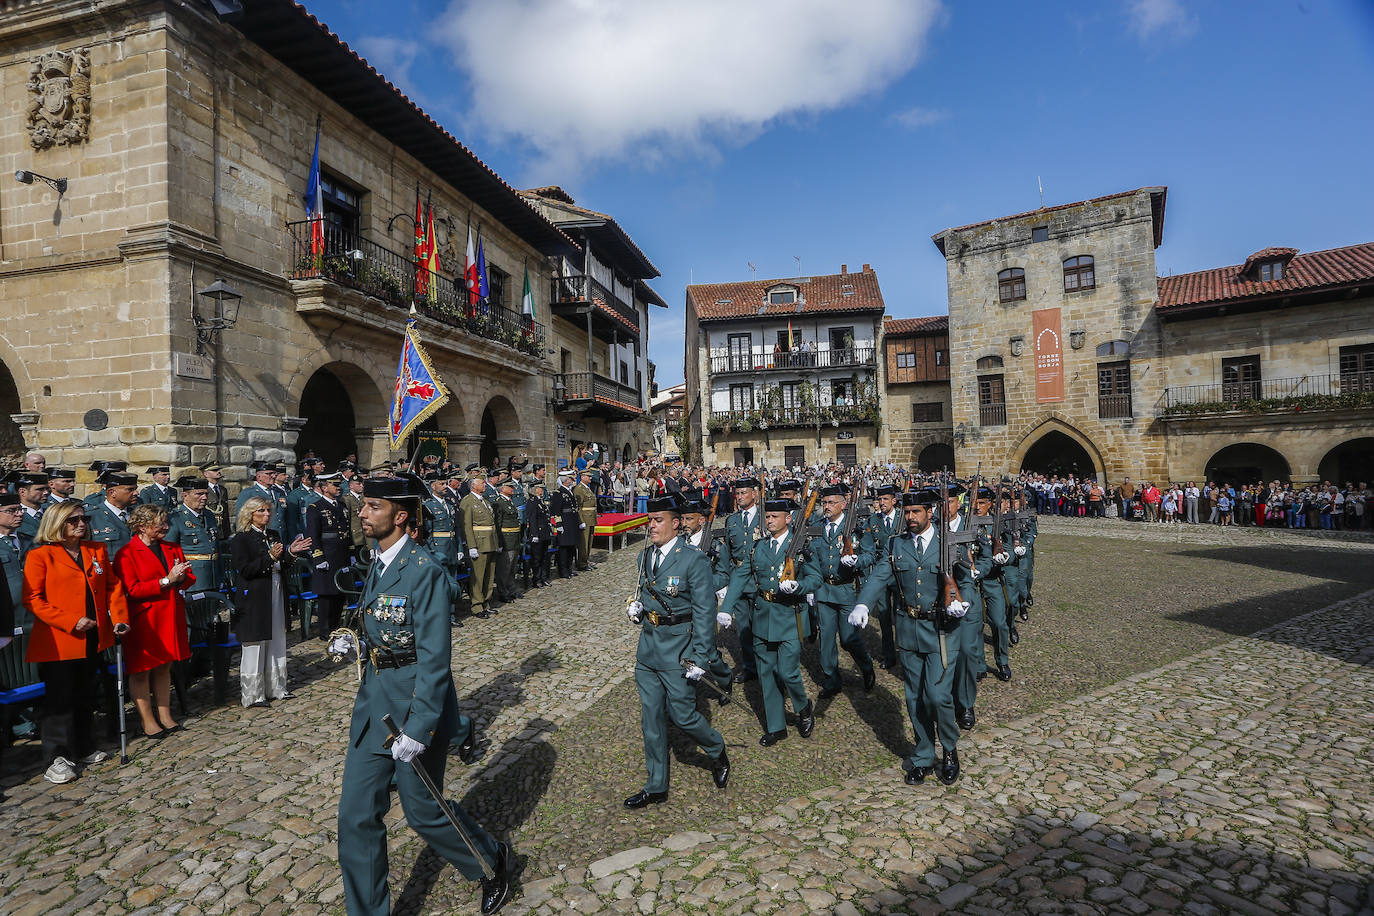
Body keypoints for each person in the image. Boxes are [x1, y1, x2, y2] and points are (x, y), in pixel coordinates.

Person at [332, 475, 512, 916]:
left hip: (411, 710)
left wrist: (419, 726)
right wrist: (352, 636)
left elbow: (435, 659)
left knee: (423, 812)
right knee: (355, 818)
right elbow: (380, 619)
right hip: (374, 705)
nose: (362, 512)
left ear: (400, 516)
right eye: (364, 505)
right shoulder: (378, 560)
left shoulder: (424, 571)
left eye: (373, 506)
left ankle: (490, 861)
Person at [852, 490, 973, 786]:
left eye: (916, 512)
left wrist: (962, 602)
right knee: (914, 697)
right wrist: (863, 603)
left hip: (942, 630)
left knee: (938, 696)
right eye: (907, 512)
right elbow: (881, 575)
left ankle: (948, 749)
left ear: (930, 512)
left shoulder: (949, 543)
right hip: (908, 630)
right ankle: (922, 755)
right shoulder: (897, 545)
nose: (910, 518)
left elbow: (966, 579)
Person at [622, 495, 731, 807]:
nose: (652, 526)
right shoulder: (644, 557)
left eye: (658, 520)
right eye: (649, 520)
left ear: (676, 523)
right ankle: (656, 785)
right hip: (649, 649)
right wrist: (638, 609)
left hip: (679, 650)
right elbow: (644, 593)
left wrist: (701, 655)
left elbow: (705, 611)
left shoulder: (693, 559)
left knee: (683, 716)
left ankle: (716, 748)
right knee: (651, 719)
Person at [23, 501, 131, 784]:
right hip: (59, 640)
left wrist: (119, 617)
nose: (81, 524)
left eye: (84, 519)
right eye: (73, 520)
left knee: (84, 695)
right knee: (60, 701)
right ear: (57, 523)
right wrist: (69, 620)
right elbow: (33, 599)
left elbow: (112, 586)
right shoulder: (40, 555)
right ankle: (56, 756)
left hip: (92, 636)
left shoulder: (95, 550)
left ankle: (83, 745)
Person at [719, 497, 818, 746]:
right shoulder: (757, 548)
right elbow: (741, 576)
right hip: (762, 615)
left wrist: (799, 586)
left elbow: (815, 578)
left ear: (788, 519)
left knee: (787, 671)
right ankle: (776, 726)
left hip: (789, 615)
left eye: (775, 517)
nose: (770, 521)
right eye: (768, 516)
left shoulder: (801, 546)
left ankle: (803, 706)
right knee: (766, 674)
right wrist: (727, 607)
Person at [113, 505, 194, 738]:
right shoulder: (127, 553)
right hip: (145, 619)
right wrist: (166, 580)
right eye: (159, 525)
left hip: (170, 614)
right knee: (142, 670)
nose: (166, 528)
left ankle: (165, 715)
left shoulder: (171, 547)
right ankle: (148, 720)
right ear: (142, 527)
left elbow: (186, 578)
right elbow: (132, 589)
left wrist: (179, 579)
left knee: (165, 665)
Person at [230, 496, 310, 707]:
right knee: (255, 644)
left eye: (268, 511)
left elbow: (282, 564)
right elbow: (245, 570)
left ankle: (276, 687)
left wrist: (291, 552)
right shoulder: (242, 538)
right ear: (250, 514)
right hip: (254, 595)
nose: (266, 515)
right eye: (261, 511)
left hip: (276, 590)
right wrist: (270, 558)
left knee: (276, 638)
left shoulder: (273, 534)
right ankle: (253, 694)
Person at [809, 484, 876, 699]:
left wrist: (857, 560)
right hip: (824, 590)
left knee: (848, 639)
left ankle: (866, 666)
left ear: (843, 505)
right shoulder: (817, 526)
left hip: (847, 589)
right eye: (824, 503)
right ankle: (832, 680)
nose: (827, 507)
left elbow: (870, 554)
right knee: (826, 639)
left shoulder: (856, 526)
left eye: (831, 503)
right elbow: (810, 557)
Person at [305, 472, 351, 639]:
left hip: (341, 554)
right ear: (324, 488)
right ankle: (324, 630)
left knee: (340, 593)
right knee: (326, 595)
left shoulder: (342, 505)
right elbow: (313, 534)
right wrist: (318, 557)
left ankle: (335, 626)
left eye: (339, 485)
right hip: (326, 555)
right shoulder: (315, 508)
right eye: (334, 485)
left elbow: (347, 531)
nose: (338, 487)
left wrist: (350, 553)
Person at [164, 476, 220, 594]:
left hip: (214, 577)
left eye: (206, 494)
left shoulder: (209, 516)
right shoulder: (175, 518)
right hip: (192, 581)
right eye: (199, 494)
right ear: (185, 496)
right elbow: (169, 551)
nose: (204, 497)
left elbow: (215, 546)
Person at [461, 471, 498, 618]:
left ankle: (486, 602)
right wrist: (471, 546)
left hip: (490, 542)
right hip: (479, 542)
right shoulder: (468, 501)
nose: (485, 485)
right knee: (478, 576)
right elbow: (467, 525)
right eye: (482, 482)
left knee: (489, 574)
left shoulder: (485, 501)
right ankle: (477, 605)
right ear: (474, 485)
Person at [86, 470, 138, 556]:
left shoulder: (139, 514)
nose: (136, 493)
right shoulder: (91, 517)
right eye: (130, 489)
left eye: (135, 489)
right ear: (112, 492)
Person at [547, 469, 580, 579]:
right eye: (571, 478)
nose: (572, 480)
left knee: (571, 547)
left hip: (572, 522)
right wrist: (559, 524)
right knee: (564, 549)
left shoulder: (570, 491)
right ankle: (563, 570)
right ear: (566, 480)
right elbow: (556, 510)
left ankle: (569, 568)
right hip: (565, 523)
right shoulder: (559, 493)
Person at [574, 469, 598, 571]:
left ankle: (585, 560)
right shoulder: (579, 489)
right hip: (585, 517)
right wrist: (581, 521)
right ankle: (581, 562)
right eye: (588, 476)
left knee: (589, 541)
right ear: (582, 477)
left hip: (591, 518)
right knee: (583, 542)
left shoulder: (587, 488)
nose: (590, 478)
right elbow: (578, 507)